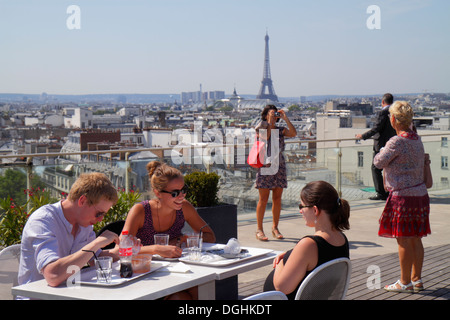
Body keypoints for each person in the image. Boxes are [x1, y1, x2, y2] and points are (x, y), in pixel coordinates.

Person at [18, 172, 120, 290]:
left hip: (68, 292)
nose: (101, 219)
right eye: (99, 213)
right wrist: (96, 243)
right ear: (82, 201)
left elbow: (94, 258)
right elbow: (52, 275)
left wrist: (122, 251)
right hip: (35, 296)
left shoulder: (83, 223)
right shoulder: (43, 221)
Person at [374, 101, 431, 293]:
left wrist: (382, 151)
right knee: (416, 238)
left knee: (403, 240)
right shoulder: (416, 139)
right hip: (420, 193)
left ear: (393, 119)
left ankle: (404, 281)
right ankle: (417, 279)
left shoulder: (396, 142)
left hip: (402, 197)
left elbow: (378, 162)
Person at [263, 181, 350, 299]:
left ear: (315, 210)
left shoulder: (309, 245)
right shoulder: (341, 239)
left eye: (302, 206)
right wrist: (291, 255)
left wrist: (280, 263)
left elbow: (282, 287)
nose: (300, 211)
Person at [254, 105, 297, 241]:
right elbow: (266, 137)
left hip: (279, 164)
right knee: (263, 198)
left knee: (277, 198)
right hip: (266, 164)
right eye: (271, 113)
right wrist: (270, 123)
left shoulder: (280, 130)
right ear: (266, 115)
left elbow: (293, 133)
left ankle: (275, 227)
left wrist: (285, 118)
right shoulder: (261, 128)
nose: (274, 116)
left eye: (275, 114)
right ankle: (259, 229)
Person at [356, 93, 396, 201]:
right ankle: (389, 191)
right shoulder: (394, 113)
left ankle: (381, 193)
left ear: (383, 102)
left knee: (375, 168)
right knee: (388, 168)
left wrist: (362, 136)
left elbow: (376, 129)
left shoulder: (383, 113)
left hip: (381, 144)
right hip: (392, 143)